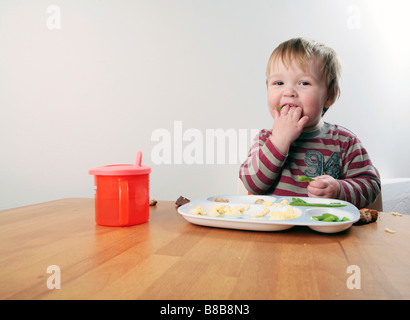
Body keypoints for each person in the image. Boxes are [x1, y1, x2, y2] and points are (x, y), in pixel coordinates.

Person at [239, 37, 381, 208]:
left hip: (327, 233)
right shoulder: (265, 139)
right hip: (276, 232)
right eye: (278, 83)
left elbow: (371, 185)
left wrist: (339, 190)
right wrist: (279, 140)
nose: (289, 92)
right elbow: (252, 184)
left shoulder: (345, 142)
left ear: (329, 96)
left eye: (304, 83)